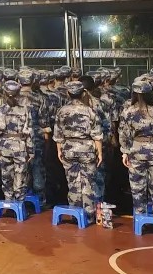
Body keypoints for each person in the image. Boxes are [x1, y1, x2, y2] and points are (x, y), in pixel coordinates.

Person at [119, 77, 153, 216]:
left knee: (137, 188)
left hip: (136, 150)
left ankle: (139, 217)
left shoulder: (128, 110)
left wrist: (124, 152)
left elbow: (124, 133)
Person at [53, 80, 103, 219]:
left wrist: (59, 150)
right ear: (83, 93)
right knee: (88, 182)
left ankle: (76, 214)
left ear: (68, 93)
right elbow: (97, 135)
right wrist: (100, 152)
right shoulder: (90, 110)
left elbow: (58, 135)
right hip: (87, 149)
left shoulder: (62, 111)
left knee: (73, 182)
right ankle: (89, 214)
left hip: (68, 148)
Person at [0, 80, 35, 203]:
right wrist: (31, 150)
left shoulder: (0, 110)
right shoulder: (25, 110)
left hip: (4, 146)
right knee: (20, 176)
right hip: (20, 146)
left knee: (6, 175)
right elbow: (29, 131)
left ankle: (8, 201)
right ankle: (19, 202)